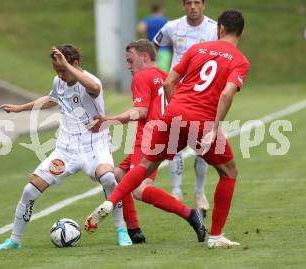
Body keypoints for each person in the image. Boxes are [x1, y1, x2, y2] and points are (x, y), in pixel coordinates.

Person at [87, 9, 250, 248]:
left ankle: (111, 202)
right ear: (240, 33)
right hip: (201, 122)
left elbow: (169, 82)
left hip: (173, 114)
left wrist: (177, 111)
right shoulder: (240, 61)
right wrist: (214, 128)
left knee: (145, 165)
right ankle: (215, 236)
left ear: (220, 29)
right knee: (229, 172)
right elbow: (226, 94)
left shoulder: (197, 49)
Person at [0, 44, 132, 250]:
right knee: (29, 190)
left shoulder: (90, 82)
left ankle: (121, 230)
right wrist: (21, 108)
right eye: (57, 71)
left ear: (74, 63)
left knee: (109, 178)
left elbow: (94, 88)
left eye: (63, 70)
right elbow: (51, 99)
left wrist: (67, 66)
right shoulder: (59, 81)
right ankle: (14, 240)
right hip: (65, 150)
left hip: (95, 146)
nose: (61, 75)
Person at [88, 39, 168, 243]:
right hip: (163, 136)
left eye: (130, 60)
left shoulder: (142, 77)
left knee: (141, 190)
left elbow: (140, 112)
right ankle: (132, 229)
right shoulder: (165, 77)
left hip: (149, 139)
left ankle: (191, 215)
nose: (128, 65)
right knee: (117, 175)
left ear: (144, 57)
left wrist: (109, 121)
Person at [153, 0, 218, 213]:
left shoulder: (213, 28)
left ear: (204, 5)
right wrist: (156, 72)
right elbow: (154, 44)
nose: (192, 6)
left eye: (196, 2)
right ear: (183, 5)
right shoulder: (172, 27)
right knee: (175, 141)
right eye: (188, 2)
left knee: (202, 144)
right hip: (177, 92)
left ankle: (200, 192)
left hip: (203, 95)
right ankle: (176, 190)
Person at [137, 2, 170, 71]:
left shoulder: (147, 20)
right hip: (164, 50)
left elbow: (140, 29)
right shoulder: (166, 20)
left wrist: (144, 40)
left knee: (152, 70)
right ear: (160, 9)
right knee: (163, 72)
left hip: (151, 49)